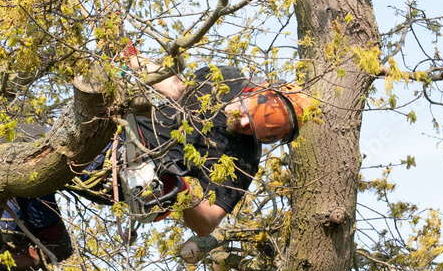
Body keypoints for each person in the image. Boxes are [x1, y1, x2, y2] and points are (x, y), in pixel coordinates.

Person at [127, 51, 310, 237]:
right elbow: (175, 87)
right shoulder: (226, 79)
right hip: (123, 133)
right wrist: (131, 58)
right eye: (248, 113)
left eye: (253, 129)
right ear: (252, 92)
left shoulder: (243, 160)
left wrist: (182, 192)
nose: (243, 124)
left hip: (139, 178)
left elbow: (208, 223)